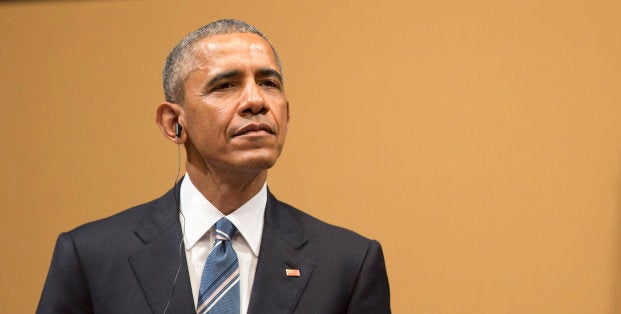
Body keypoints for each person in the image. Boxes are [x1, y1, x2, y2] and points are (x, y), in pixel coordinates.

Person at [37, 19, 390, 314]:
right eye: (225, 85)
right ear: (173, 122)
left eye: (269, 83)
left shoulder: (348, 264)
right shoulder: (91, 257)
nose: (256, 101)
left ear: (287, 114)